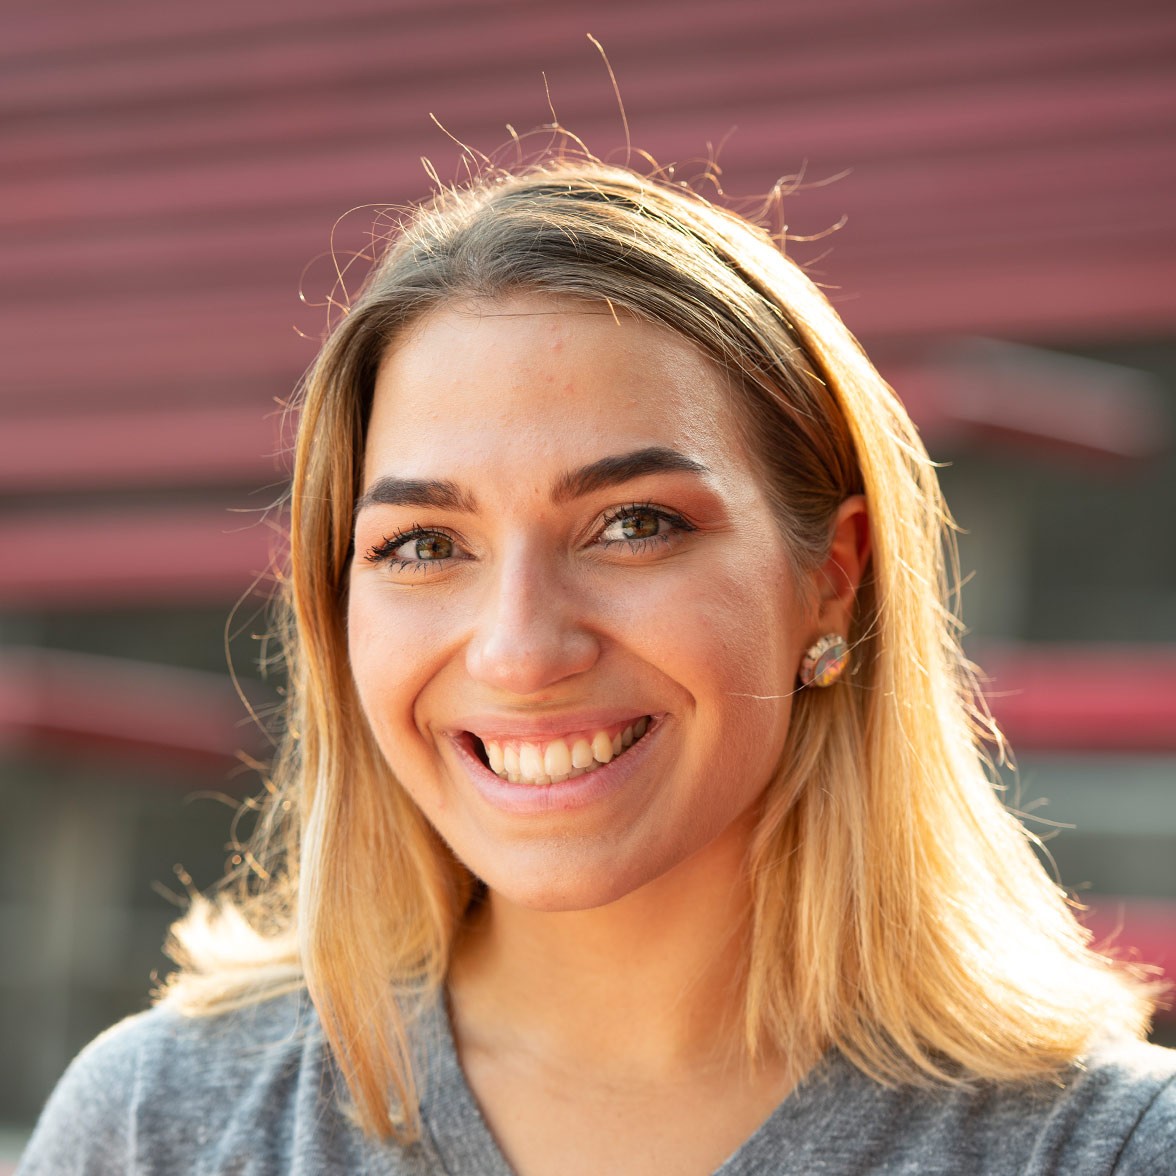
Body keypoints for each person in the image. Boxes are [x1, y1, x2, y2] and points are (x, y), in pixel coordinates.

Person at [18, 152, 1176, 1175]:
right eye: (425, 544)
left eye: (635, 524)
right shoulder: (157, 1125)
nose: (521, 649)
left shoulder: (1107, 1148)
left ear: (832, 575)